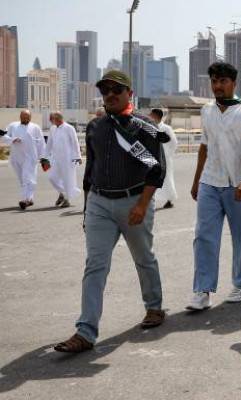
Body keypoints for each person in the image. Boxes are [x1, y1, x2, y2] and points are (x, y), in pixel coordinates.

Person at [54, 70, 167, 353]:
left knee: (143, 258)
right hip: (99, 204)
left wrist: (142, 204)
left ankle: (154, 307)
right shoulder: (96, 127)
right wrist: (86, 209)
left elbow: (156, 169)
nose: (110, 95)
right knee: (95, 265)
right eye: (105, 91)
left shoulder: (143, 127)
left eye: (117, 89)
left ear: (130, 93)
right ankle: (86, 332)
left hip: (133, 203)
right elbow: (90, 171)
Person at [187, 62, 241, 311]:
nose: (217, 86)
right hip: (210, 182)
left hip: (238, 185)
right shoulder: (207, 111)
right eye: (213, 81)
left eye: (222, 81)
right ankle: (202, 290)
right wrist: (197, 180)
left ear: (234, 83)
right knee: (204, 237)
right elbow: (204, 146)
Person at [1, 110, 45, 210]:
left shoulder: (35, 127)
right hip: (16, 157)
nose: (25, 119)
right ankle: (29, 199)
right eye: (23, 117)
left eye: (27, 117)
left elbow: (41, 143)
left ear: (30, 117)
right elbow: (4, 137)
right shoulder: (13, 125)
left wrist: (43, 157)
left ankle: (25, 199)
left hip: (30, 158)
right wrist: (13, 139)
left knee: (27, 178)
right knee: (22, 179)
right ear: (20, 117)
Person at [44, 112, 83, 207]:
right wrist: (45, 157)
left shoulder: (69, 128)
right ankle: (63, 193)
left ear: (57, 118)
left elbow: (75, 142)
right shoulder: (52, 129)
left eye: (51, 119)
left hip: (68, 159)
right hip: (55, 158)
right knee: (52, 177)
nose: (50, 121)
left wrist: (78, 157)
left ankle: (67, 200)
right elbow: (49, 143)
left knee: (68, 180)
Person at [149, 108, 178, 208]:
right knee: (151, 179)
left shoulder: (166, 129)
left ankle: (170, 199)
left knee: (167, 179)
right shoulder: (150, 127)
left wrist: (167, 155)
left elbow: (174, 143)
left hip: (165, 158)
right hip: (152, 159)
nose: (149, 116)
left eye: (151, 114)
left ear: (156, 116)